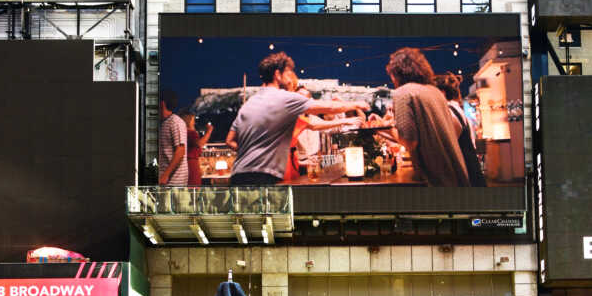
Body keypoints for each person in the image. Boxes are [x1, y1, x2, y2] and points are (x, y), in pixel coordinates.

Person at [227, 52, 366, 186]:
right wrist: (355, 104)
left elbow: (230, 139)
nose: (291, 79)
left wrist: (253, 152)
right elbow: (326, 107)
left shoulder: (248, 104)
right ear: (277, 74)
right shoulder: (284, 98)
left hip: (238, 175)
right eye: (288, 73)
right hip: (262, 177)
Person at [382, 48, 469, 187]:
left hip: (435, 180)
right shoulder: (434, 92)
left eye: (391, 75)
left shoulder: (403, 93)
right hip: (456, 175)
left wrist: (385, 128)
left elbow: (409, 141)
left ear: (397, 73)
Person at [434, 72, 487, 186]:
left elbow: (444, 147)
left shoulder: (449, 112)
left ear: (441, 93)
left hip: (466, 174)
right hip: (471, 170)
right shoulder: (456, 109)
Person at [158, 90, 189, 186]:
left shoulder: (175, 122)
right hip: (166, 182)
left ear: (162, 104)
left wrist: (165, 175)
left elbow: (180, 151)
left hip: (174, 182)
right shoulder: (163, 123)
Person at [177, 110, 212, 186]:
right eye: (193, 120)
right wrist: (209, 131)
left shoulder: (182, 132)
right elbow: (199, 144)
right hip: (191, 164)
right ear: (188, 121)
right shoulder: (191, 133)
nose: (194, 122)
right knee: (193, 186)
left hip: (183, 164)